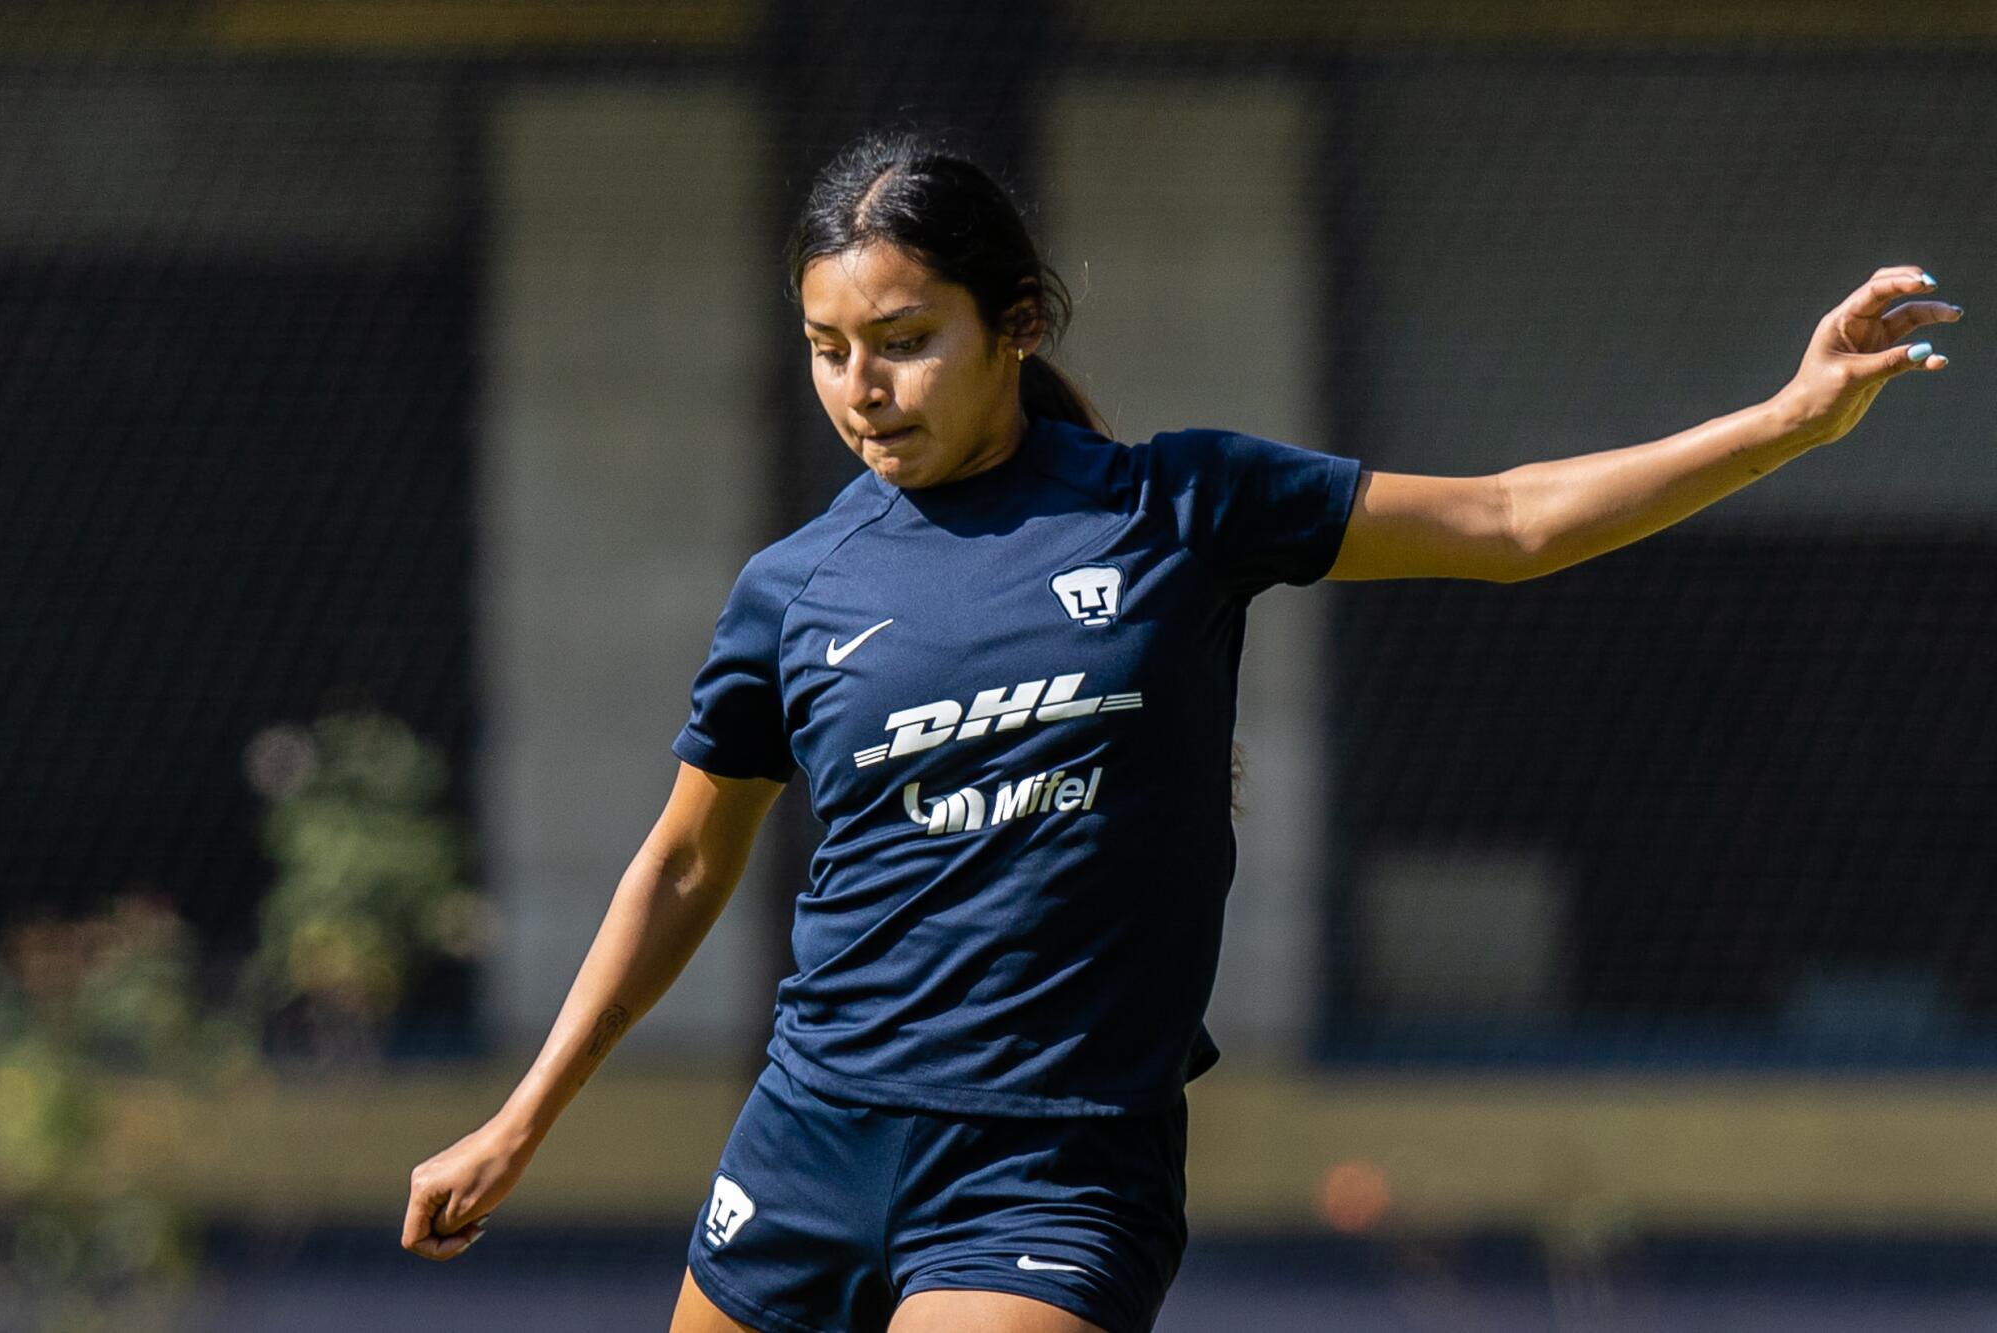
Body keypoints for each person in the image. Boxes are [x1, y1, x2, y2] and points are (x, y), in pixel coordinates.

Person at [402, 127, 1959, 1333]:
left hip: (1050, 1164)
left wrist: (1787, 420)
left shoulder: (1181, 505)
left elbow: (1508, 519)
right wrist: (522, 1118)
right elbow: (681, 867)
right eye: (827, 348)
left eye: (904, 338)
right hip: (807, 1142)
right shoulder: (792, 588)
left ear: (1015, 320)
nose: (862, 388)